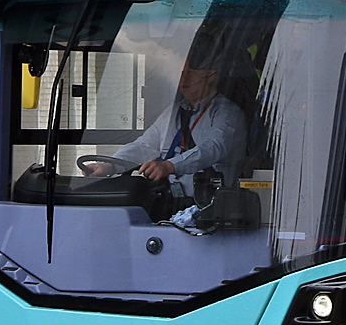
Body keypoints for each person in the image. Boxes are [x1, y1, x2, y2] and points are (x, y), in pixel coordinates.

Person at [88, 34, 249, 218]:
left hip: (211, 209)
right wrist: (109, 166)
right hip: (171, 203)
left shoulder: (227, 113)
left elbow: (212, 148)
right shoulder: (174, 112)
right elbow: (146, 145)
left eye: (190, 73)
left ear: (211, 76)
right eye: (182, 73)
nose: (183, 79)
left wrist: (170, 166)